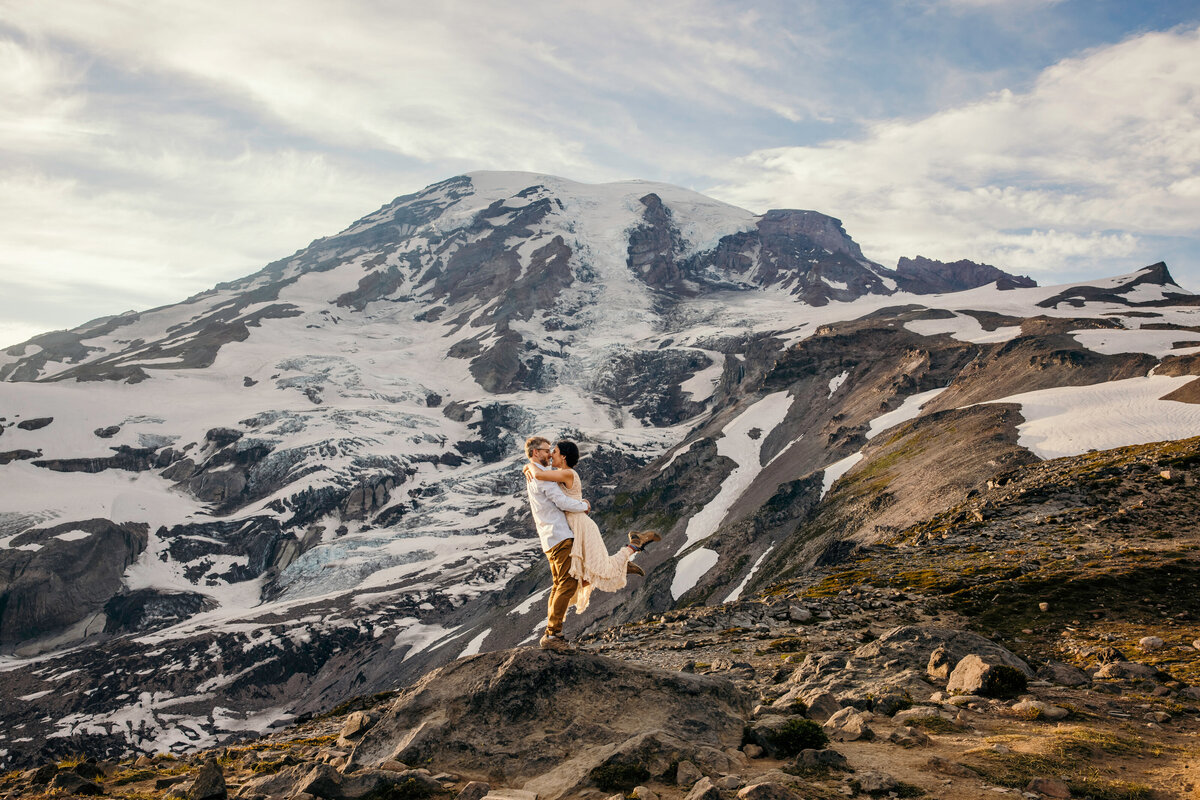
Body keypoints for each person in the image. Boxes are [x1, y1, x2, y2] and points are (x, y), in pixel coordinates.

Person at [523, 438, 660, 650]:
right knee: (569, 581)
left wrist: (530, 465)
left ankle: (552, 634)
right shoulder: (540, 474)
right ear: (535, 452)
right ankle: (552, 634)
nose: (550, 454)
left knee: (569, 581)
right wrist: (583, 505)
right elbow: (560, 500)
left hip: (568, 531)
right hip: (561, 533)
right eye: (547, 451)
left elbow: (556, 493)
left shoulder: (547, 473)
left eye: (554, 451)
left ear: (564, 456)